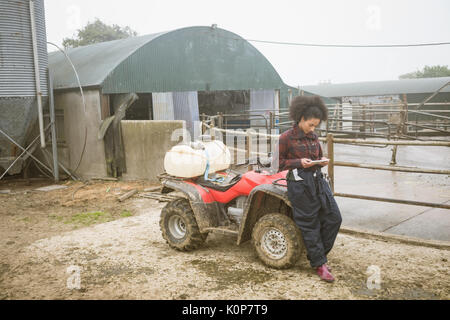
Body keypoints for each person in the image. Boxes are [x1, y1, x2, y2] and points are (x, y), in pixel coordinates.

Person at [278, 95, 342, 282]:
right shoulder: (286, 138)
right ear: (301, 118)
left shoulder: (314, 137)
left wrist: (321, 162)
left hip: (317, 180)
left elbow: (318, 157)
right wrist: (299, 163)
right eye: (311, 124)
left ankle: (317, 254)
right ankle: (319, 263)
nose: (313, 129)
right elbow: (279, 164)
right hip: (299, 184)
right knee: (310, 224)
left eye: (315, 125)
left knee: (334, 217)